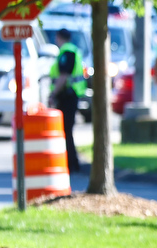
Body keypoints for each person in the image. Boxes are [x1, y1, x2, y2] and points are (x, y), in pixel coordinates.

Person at [48, 28, 86, 174]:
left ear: (59, 37)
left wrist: (53, 94)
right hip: (70, 94)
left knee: (66, 130)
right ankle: (71, 162)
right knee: (67, 130)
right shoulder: (72, 50)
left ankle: (71, 163)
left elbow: (63, 76)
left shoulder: (66, 52)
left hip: (67, 95)